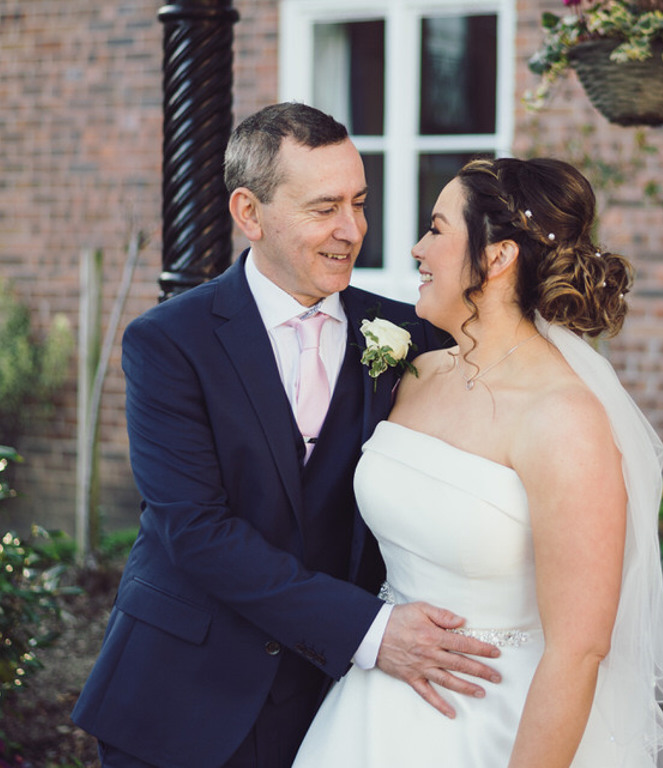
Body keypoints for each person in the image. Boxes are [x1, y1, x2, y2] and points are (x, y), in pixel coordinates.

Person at [71, 103, 502, 768]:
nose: (352, 230)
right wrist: (371, 631)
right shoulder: (167, 343)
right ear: (250, 213)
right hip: (180, 694)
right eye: (324, 207)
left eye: (359, 202)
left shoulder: (413, 337)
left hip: (336, 708)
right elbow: (195, 530)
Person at [292, 156, 663, 768]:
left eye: (438, 229)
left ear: (497, 258)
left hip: (494, 722)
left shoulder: (564, 418)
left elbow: (579, 648)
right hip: (372, 701)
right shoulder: (418, 372)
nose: (418, 248)